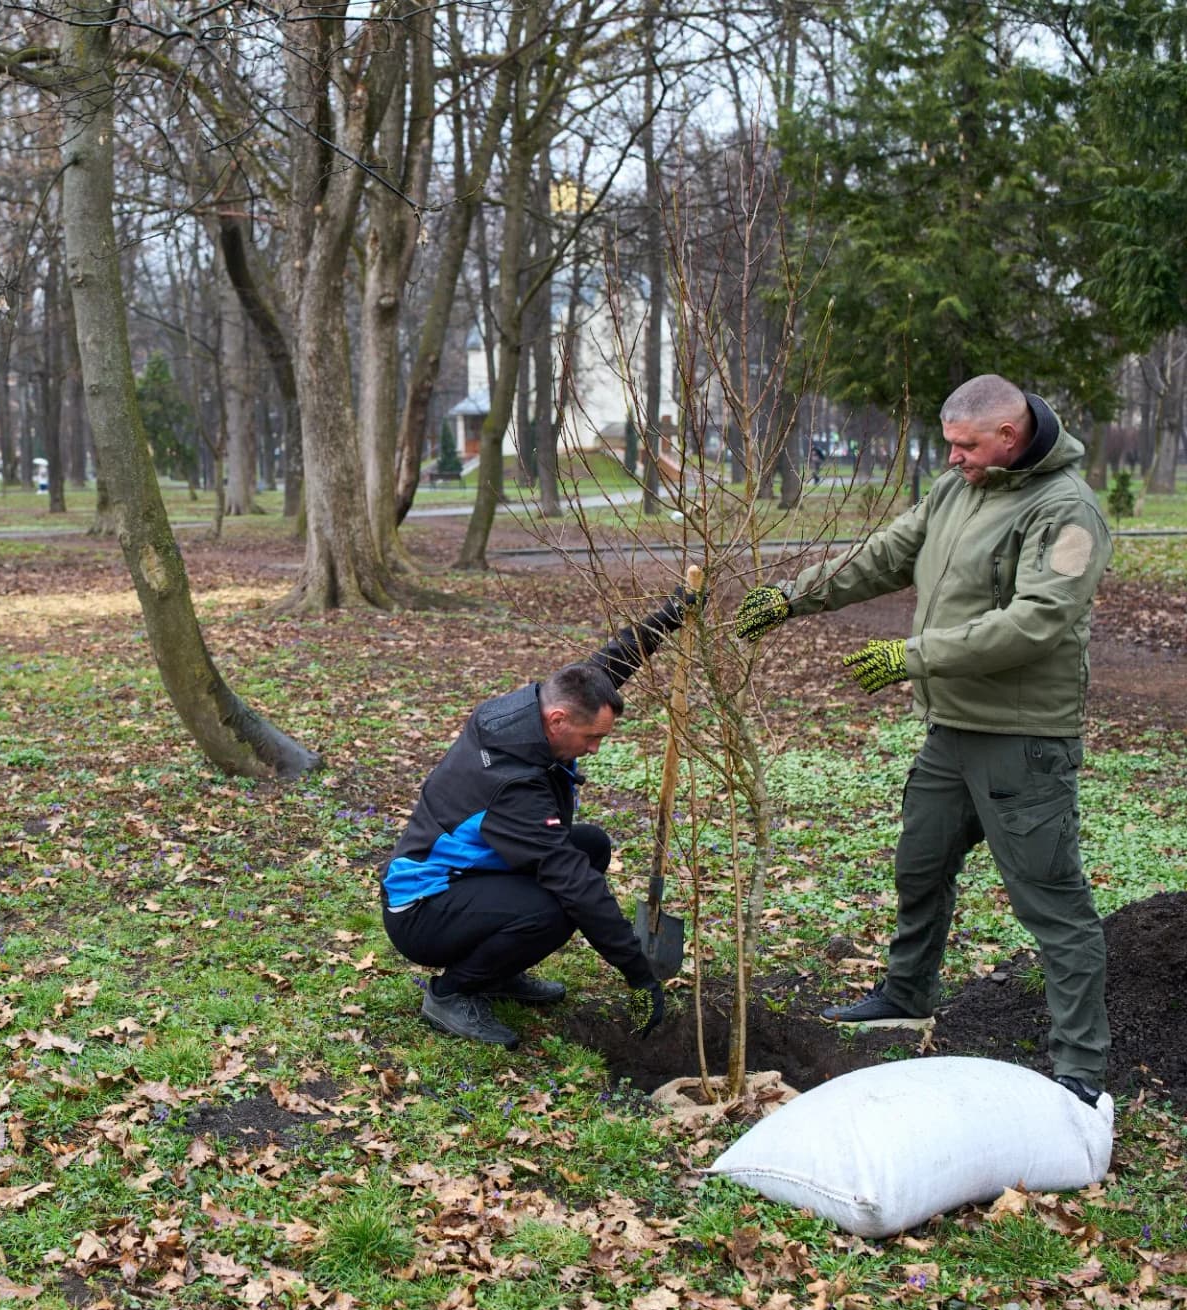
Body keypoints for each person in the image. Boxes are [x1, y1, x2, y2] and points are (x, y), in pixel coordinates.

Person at [734, 374, 1112, 1105]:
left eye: (965, 445)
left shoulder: (1067, 511)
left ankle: (1080, 1069)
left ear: (1008, 436)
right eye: (949, 445)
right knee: (920, 863)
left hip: (1022, 739)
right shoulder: (955, 491)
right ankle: (907, 994)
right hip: (951, 730)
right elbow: (882, 555)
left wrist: (912, 656)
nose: (953, 457)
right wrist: (789, 598)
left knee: (1052, 902)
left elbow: (1036, 622)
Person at [382, 592, 698, 1049]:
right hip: (422, 908)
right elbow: (573, 883)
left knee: (591, 846)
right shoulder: (514, 784)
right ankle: (452, 993)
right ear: (558, 720)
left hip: (468, 874)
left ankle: (497, 972)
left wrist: (669, 617)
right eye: (591, 738)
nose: (595, 749)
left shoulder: (536, 708)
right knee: (559, 905)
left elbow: (608, 665)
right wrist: (639, 976)